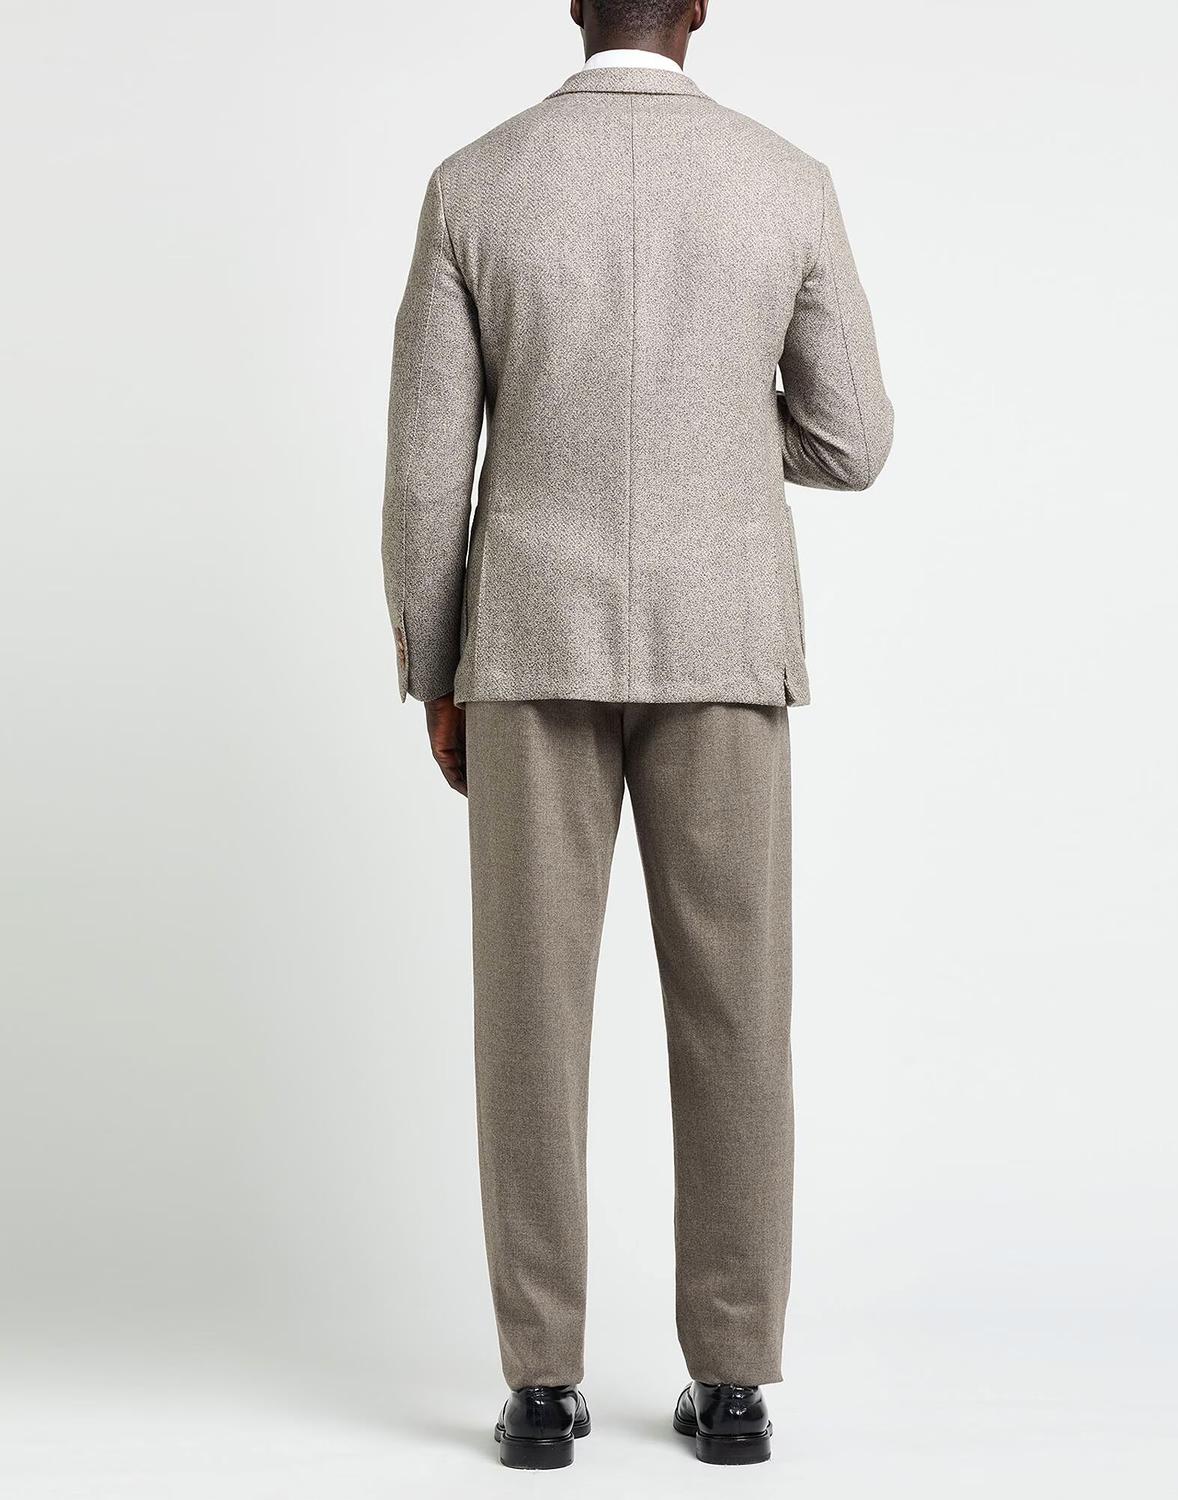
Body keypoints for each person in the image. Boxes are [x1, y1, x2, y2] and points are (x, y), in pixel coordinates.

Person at [382, 0, 892, 1470]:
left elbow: (425, 473)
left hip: (528, 642)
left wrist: (434, 665)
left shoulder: (475, 183)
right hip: (723, 639)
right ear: (699, 10)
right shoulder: (784, 180)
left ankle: (541, 1389)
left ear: (572, 6)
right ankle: (732, 1386)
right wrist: (716, 430)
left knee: (527, 1020)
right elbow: (853, 437)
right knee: (736, 1014)